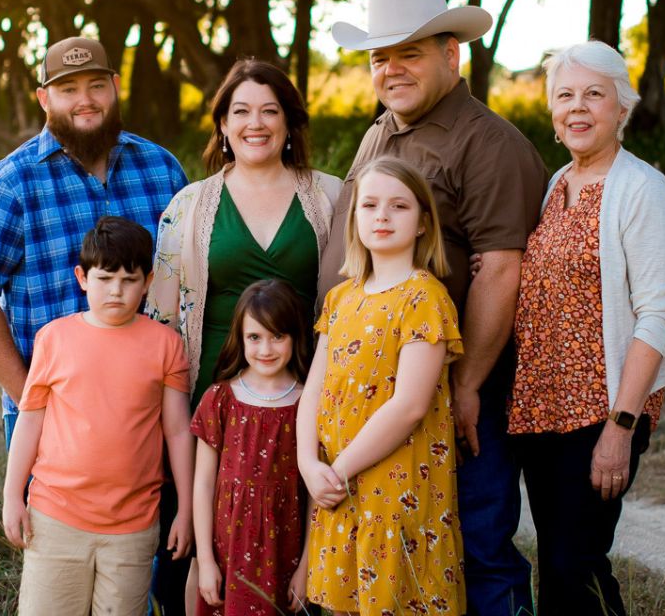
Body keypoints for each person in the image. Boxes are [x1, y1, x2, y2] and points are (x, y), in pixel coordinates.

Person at [319, 0, 545, 616]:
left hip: (451, 392)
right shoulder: (380, 133)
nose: (391, 69)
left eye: (409, 53)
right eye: (379, 57)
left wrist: (468, 385)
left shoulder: (489, 144)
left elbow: (502, 271)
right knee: (393, 544)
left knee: (476, 541)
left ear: (451, 55)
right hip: (368, 385)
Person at [148, 57, 341, 609]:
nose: (255, 123)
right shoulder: (190, 205)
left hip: (302, 395)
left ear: (289, 123)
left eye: (269, 110)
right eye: (241, 112)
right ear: (224, 127)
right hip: (211, 392)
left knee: (294, 524)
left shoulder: (329, 197)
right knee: (198, 530)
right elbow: (161, 318)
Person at [0, 34, 188, 448]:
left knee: (153, 515)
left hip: (152, 414)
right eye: (68, 89)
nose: (84, 100)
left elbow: (188, 279)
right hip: (53, 414)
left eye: (95, 85)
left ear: (115, 87)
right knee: (48, 516)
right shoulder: (10, 183)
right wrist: (30, 400)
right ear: (43, 98)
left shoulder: (162, 169)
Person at [509, 41, 665, 616]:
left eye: (593, 95)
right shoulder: (557, 183)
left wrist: (621, 426)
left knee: (572, 563)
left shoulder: (642, 189)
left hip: (601, 411)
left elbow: (657, 314)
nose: (577, 107)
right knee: (564, 561)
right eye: (565, 95)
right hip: (541, 408)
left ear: (621, 110)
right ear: (553, 114)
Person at [1, 216, 193, 616]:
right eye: (105, 279)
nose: (117, 292)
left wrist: (187, 509)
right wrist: (11, 496)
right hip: (56, 518)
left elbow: (176, 431)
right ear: (82, 277)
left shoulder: (166, 345)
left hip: (133, 526)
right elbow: (30, 420)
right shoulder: (53, 338)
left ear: (148, 280)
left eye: (129, 280)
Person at [299, 158, 465, 616]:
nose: (382, 216)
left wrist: (340, 470)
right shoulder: (340, 298)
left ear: (422, 223)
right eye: (369, 205)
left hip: (394, 486)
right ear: (355, 219)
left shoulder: (424, 297)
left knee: (395, 598)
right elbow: (312, 391)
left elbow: (409, 406)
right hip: (335, 484)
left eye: (399, 206)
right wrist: (309, 464)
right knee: (345, 602)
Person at [190, 279, 313, 616]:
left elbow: (315, 495)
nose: (266, 349)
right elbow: (202, 484)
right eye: (254, 337)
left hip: (285, 550)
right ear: (240, 338)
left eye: (278, 336)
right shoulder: (220, 399)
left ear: (295, 336)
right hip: (227, 551)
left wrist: (306, 567)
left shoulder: (309, 403)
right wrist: (205, 560)